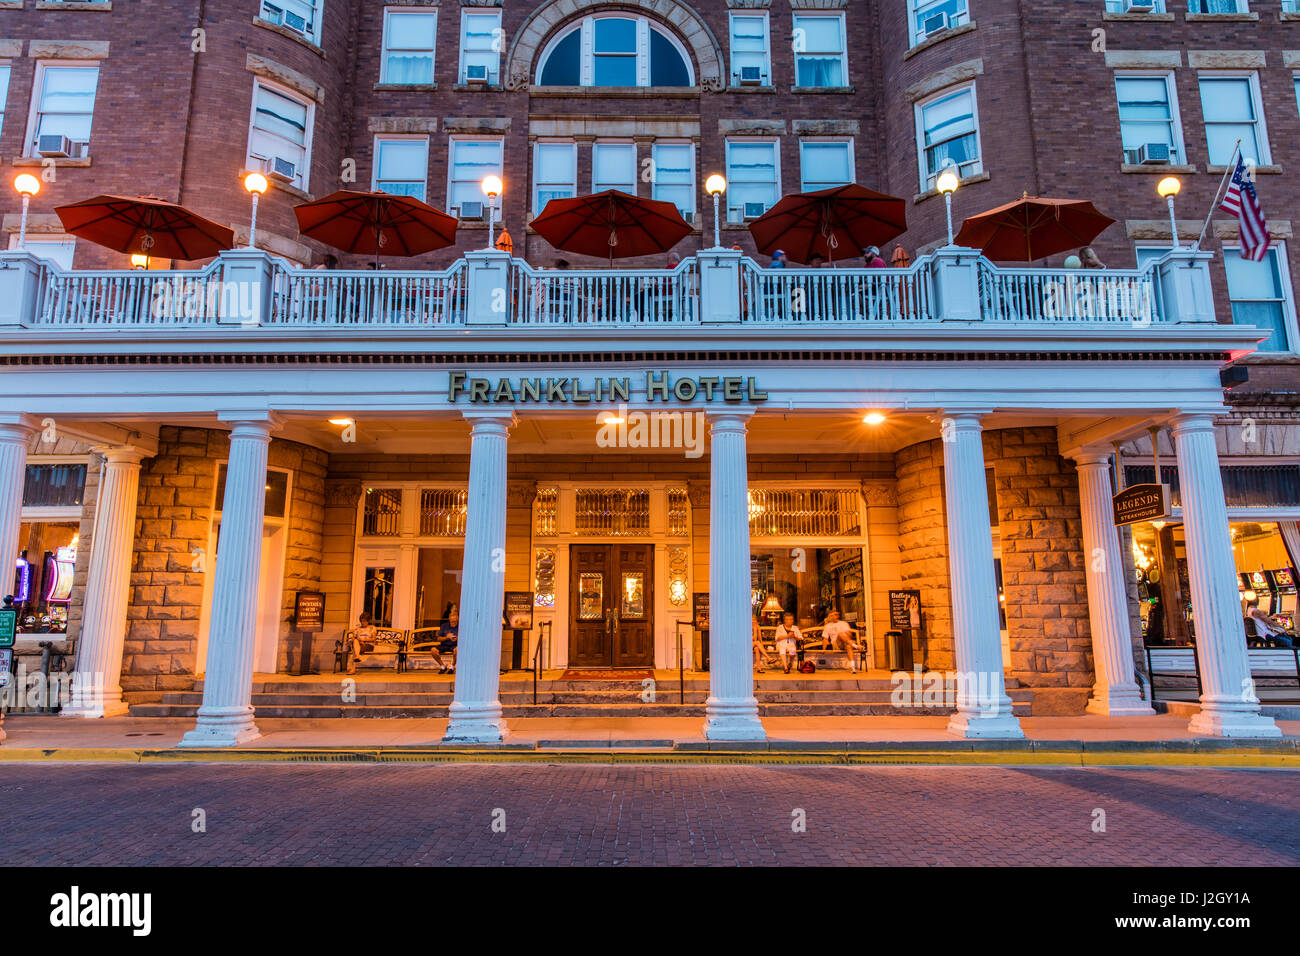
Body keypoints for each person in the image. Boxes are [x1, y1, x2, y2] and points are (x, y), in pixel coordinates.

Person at [349, 611, 378, 675]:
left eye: (364, 621)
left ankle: (353, 668)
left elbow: (373, 639)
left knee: (355, 649)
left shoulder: (372, 628)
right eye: (361, 621)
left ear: (368, 621)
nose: (362, 623)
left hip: (369, 645)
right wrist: (360, 641)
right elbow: (354, 638)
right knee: (355, 643)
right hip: (359, 644)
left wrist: (364, 640)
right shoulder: (357, 629)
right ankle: (357, 657)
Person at [432, 605, 459, 673]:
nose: (453, 623)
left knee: (458, 650)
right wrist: (447, 637)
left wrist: (458, 638)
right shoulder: (444, 626)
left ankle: (452, 667)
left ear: (457, 620)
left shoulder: (460, 626)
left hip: (454, 645)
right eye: (452, 621)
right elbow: (438, 638)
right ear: (449, 620)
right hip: (444, 645)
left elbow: (465, 639)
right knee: (433, 650)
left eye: (455, 621)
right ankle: (442, 666)